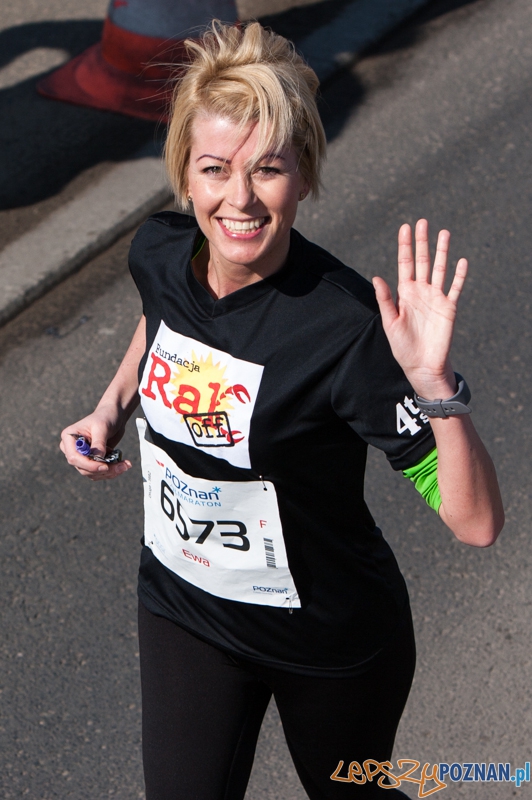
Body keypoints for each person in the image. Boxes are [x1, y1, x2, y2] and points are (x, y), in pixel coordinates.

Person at [60, 20, 504, 800]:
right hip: (184, 607)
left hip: (327, 641)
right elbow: (158, 320)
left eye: (267, 169)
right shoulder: (159, 251)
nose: (238, 199)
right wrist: (112, 407)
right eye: (214, 169)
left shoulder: (343, 329)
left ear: (302, 176)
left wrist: (436, 388)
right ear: (186, 179)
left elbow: (476, 523)